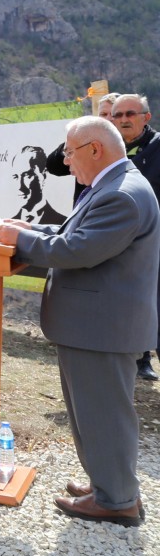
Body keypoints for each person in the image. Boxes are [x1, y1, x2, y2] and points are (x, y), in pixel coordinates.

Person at [0, 116, 159, 526]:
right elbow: (77, 231)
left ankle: (117, 501)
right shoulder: (112, 185)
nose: (66, 162)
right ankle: (109, 485)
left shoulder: (121, 194)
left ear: (94, 149)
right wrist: (32, 229)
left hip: (100, 327)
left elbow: (80, 250)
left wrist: (22, 240)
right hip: (95, 324)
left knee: (103, 415)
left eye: (69, 152)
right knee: (93, 413)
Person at [103, 94, 160, 381]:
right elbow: (57, 164)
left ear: (146, 117)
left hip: (152, 245)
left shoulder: (158, 147)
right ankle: (135, 362)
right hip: (117, 245)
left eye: (131, 114)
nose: (124, 119)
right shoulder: (106, 150)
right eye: (118, 115)